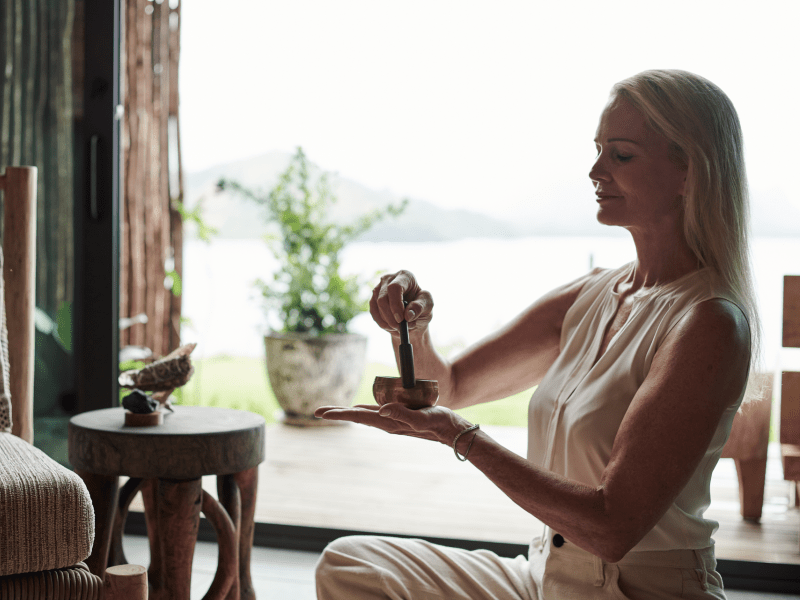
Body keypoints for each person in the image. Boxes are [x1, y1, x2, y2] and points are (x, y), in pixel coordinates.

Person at [314, 69, 759, 600]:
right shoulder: (592, 294)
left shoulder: (709, 322)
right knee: (352, 565)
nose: (595, 169)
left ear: (690, 170)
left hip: (637, 591)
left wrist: (459, 437)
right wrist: (413, 328)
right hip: (547, 578)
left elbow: (612, 527)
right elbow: (451, 385)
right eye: (597, 150)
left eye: (620, 155)